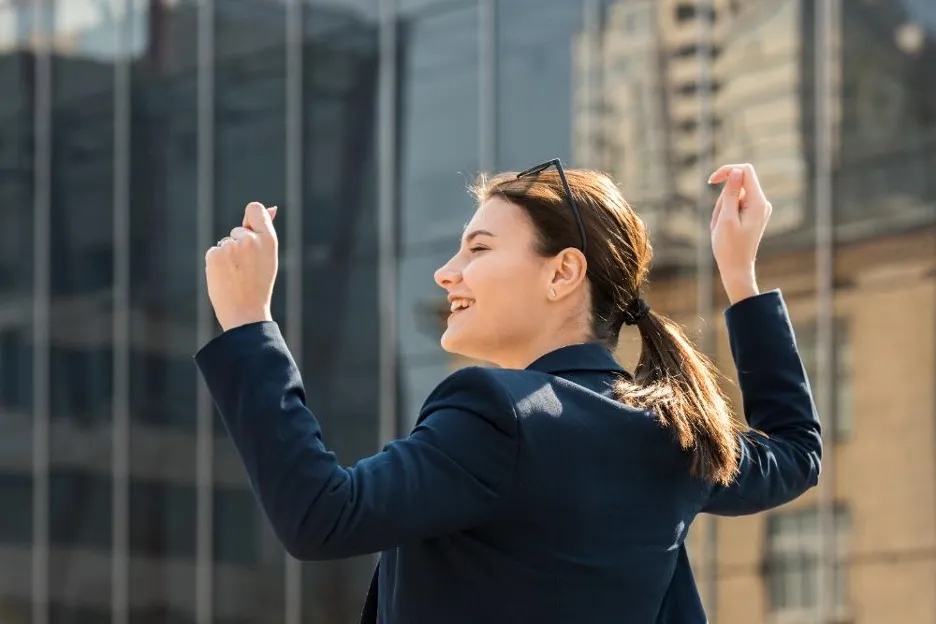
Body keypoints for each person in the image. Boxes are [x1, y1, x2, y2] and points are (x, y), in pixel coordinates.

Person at [195, 161, 821, 623]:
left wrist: (250, 326)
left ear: (563, 273)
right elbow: (796, 454)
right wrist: (741, 278)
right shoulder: (673, 432)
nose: (447, 272)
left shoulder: (499, 414)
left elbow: (321, 517)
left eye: (479, 247)